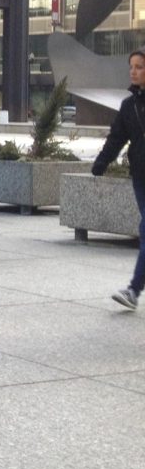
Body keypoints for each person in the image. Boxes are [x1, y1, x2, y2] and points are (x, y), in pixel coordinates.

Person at [91, 47, 145, 310]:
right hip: (142, 176)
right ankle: (134, 290)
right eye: (132, 66)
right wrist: (101, 163)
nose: (134, 71)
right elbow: (117, 138)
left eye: (140, 67)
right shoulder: (128, 105)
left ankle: (134, 289)